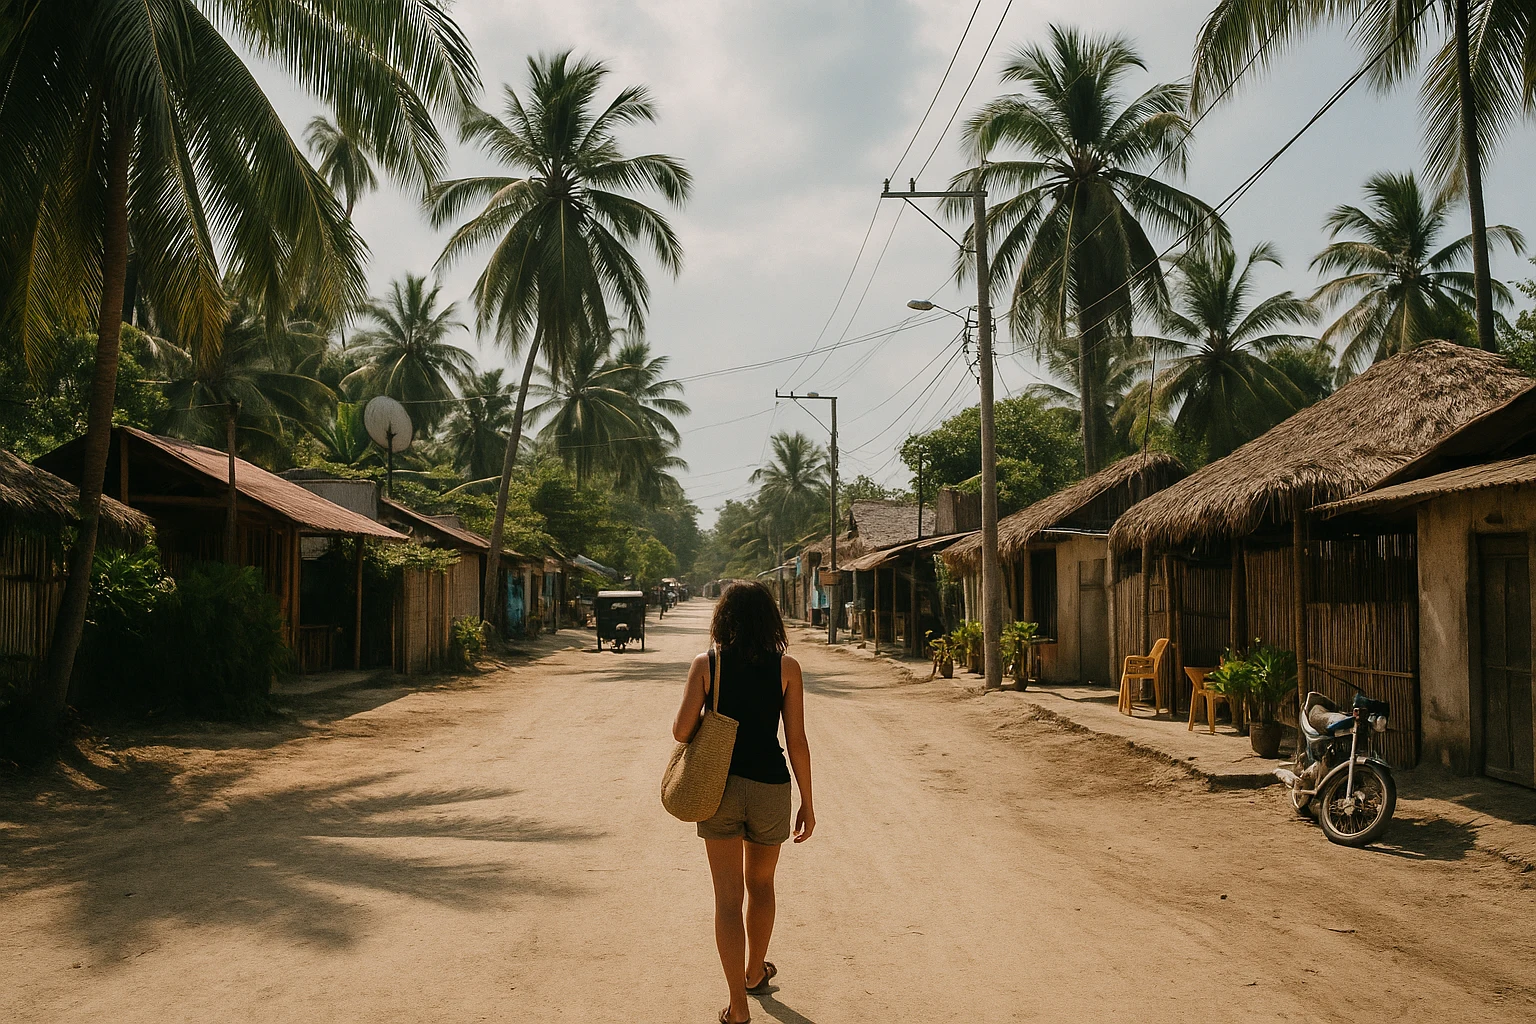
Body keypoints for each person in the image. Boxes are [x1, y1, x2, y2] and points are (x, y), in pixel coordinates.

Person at [672, 582, 814, 1024]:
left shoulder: (707, 664)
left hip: (719, 789)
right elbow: (796, 741)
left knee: (727, 899)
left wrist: (710, 713)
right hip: (771, 787)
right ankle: (755, 971)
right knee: (763, 886)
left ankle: (737, 1004)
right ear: (770, 618)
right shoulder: (786, 667)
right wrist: (808, 801)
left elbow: (680, 732)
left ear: (723, 618)